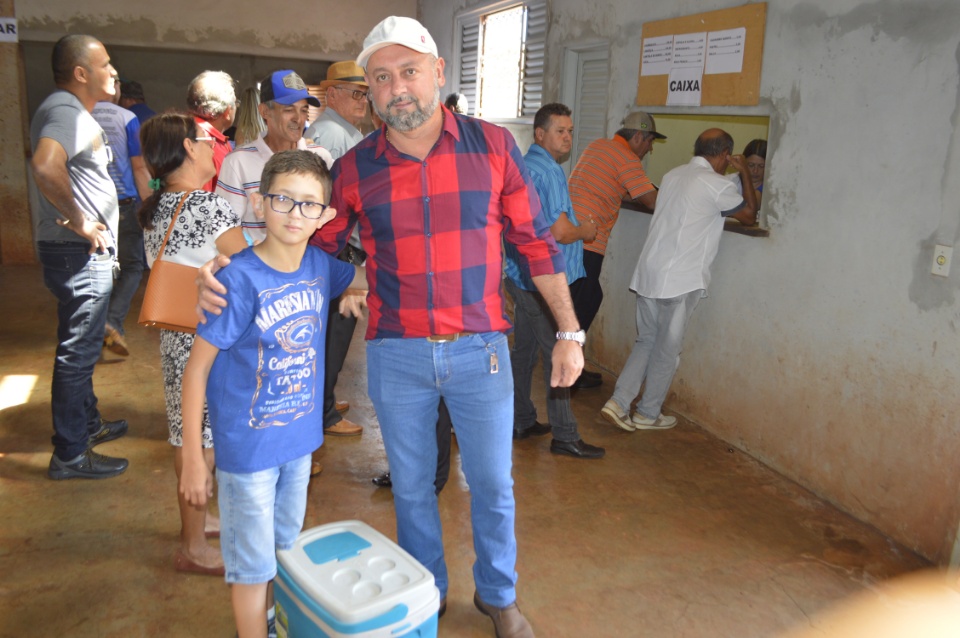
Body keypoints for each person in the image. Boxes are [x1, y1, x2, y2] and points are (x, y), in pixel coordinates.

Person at [320, 16, 583, 637]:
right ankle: (426, 589)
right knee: (412, 488)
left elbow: (535, 243)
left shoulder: (492, 148)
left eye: (409, 71)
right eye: (381, 78)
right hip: (396, 356)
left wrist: (569, 332)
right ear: (372, 92)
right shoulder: (356, 167)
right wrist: (260, 266)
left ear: (438, 72)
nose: (396, 88)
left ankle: (498, 594)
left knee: (493, 485)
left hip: (481, 353)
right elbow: (322, 246)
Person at [181, 150, 364, 638]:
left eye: (309, 205)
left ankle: (270, 622)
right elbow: (196, 371)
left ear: (326, 216)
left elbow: (369, 280)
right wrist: (196, 459)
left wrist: (356, 290)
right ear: (260, 204)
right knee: (251, 564)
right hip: (247, 452)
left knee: (283, 548)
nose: (295, 214)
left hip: (299, 446)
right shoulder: (237, 280)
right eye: (282, 200)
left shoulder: (322, 268)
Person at [139, 113, 248, 575]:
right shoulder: (210, 209)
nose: (214, 147)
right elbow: (248, 269)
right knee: (200, 445)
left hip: (175, 336)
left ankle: (198, 523)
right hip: (208, 338)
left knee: (189, 436)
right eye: (208, 140)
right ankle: (191, 546)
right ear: (187, 146)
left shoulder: (158, 205)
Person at [600, 129, 756, 432]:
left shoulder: (673, 175)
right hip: (680, 280)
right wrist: (746, 173)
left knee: (646, 341)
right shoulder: (716, 184)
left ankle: (618, 402)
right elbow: (750, 214)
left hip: (649, 273)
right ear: (725, 155)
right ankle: (647, 413)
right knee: (666, 350)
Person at [30, 34, 129, 480]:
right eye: (105, 64)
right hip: (77, 251)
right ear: (81, 73)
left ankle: (87, 426)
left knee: (82, 346)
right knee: (78, 353)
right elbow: (45, 165)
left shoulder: (72, 112)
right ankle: (70, 453)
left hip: (78, 252)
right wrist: (82, 220)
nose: (113, 71)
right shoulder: (65, 111)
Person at [505, 103, 603, 459]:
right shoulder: (548, 172)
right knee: (558, 352)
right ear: (540, 134)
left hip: (521, 275)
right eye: (560, 131)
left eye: (571, 131)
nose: (567, 138)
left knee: (525, 351)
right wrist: (586, 231)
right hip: (538, 282)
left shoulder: (526, 165)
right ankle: (565, 434)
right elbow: (561, 232)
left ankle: (521, 418)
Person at [567, 111, 665, 388]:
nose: (650, 148)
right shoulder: (628, 159)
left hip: (568, 234)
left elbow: (617, 187)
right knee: (585, 302)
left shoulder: (598, 146)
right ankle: (568, 368)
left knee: (579, 302)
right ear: (637, 137)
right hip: (588, 240)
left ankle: (573, 365)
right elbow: (652, 201)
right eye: (649, 142)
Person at [303, 60, 370, 438]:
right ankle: (323, 412)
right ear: (331, 95)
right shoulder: (331, 134)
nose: (362, 101)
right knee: (331, 337)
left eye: (365, 94)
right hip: (337, 249)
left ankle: (324, 398)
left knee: (331, 335)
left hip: (341, 248)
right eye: (355, 93)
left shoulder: (342, 131)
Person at [216, 70, 331, 245]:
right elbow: (224, 229)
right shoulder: (238, 162)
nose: (298, 119)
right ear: (264, 112)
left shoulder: (321, 157)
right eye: (288, 110)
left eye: (303, 110)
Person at [92, 77, 151, 356]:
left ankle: (91, 333)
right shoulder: (127, 118)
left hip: (90, 208)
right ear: (115, 89)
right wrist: (149, 205)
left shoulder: (82, 114)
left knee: (98, 271)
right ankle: (111, 322)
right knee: (132, 267)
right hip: (124, 204)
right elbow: (139, 167)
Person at [186, 71, 237, 192]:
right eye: (236, 103)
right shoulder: (204, 143)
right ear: (227, 112)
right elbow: (200, 199)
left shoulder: (184, 130)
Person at [732, 138, 766, 214]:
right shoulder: (731, 181)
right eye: (751, 165)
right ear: (743, 163)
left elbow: (750, 208)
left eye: (761, 166)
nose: (755, 171)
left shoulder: (772, 187)